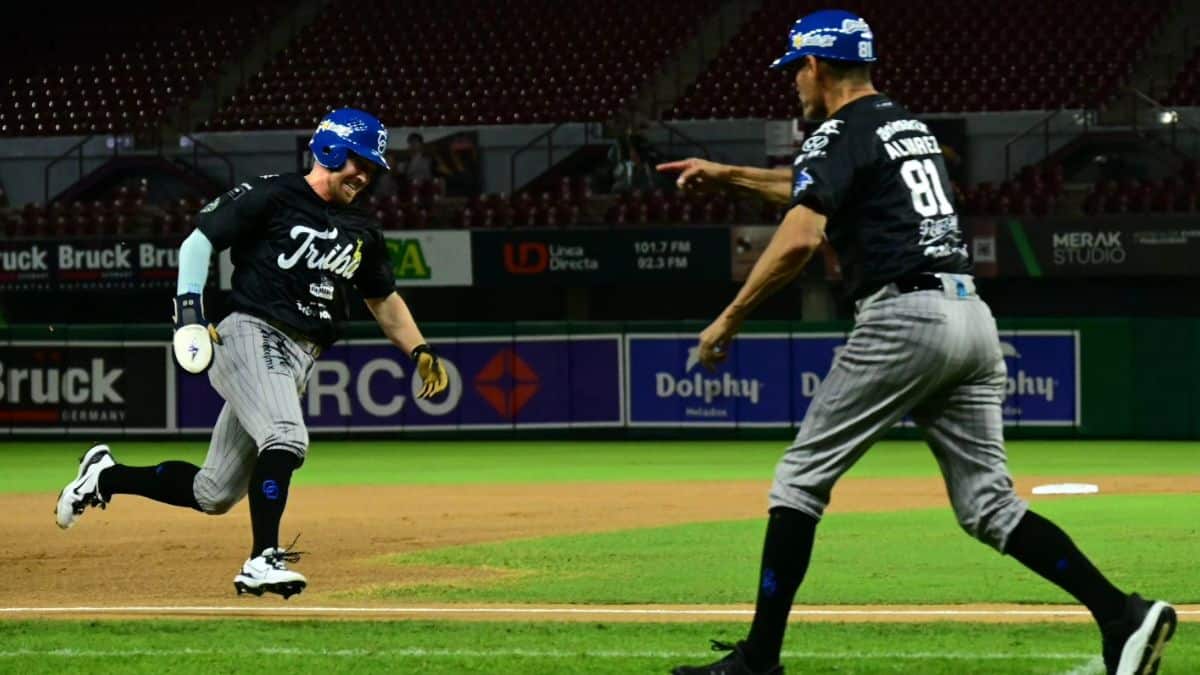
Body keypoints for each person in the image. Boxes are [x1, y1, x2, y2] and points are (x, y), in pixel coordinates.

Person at [658, 11, 1175, 675]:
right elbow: (816, 187)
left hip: (904, 317)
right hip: (969, 318)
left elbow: (799, 236)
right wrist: (728, 174)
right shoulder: (906, 126)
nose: (793, 84)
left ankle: (759, 659)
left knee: (798, 478)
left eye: (795, 70)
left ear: (816, 66)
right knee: (989, 506)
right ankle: (1123, 614)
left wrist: (728, 318)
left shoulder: (836, 130)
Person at [54, 108, 450, 599]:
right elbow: (198, 244)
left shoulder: (361, 227)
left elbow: (382, 298)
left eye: (373, 166)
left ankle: (104, 476)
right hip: (251, 333)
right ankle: (262, 559)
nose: (366, 173)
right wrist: (190, 314)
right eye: (359, 161)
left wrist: (420, 350)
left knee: (214, 492)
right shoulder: (273, 193)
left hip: (299, 356)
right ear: (329, 150)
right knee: (285, 436)